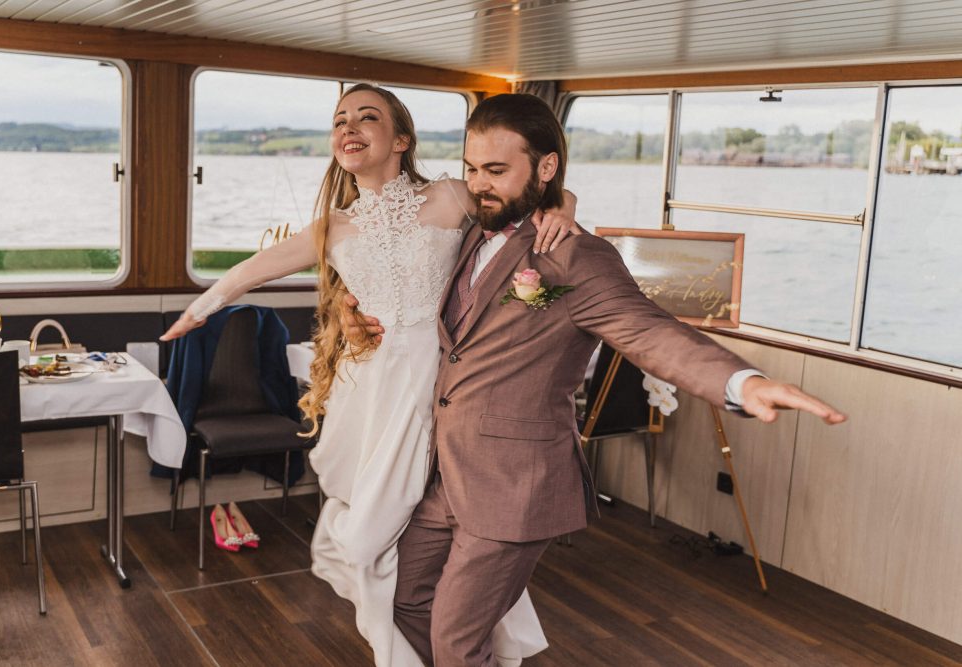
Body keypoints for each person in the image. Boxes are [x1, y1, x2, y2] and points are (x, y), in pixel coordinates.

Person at [342, 93, 846, 666]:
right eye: (472, 169)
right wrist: (353, 313)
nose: (480, 185)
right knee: (403, 602)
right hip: (447, 475)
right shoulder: (471, 235)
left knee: (458, 642)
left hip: (516, 487)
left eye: (497, 171)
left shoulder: (577, 260)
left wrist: (742, 383)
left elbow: (649, 331)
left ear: (547, 167)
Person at [161, 83, 581, 667]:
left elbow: (520, 195)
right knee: (367, 540)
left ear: (402, 140)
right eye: (340, 121)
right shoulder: (331, 227)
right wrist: (195, 313)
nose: (349, 128)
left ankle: (449, 643)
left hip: (438, 381)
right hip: (371, 391)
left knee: (409, 533)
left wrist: (566, 206)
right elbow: (249, 272)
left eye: (367, 117)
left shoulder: (451, 197)